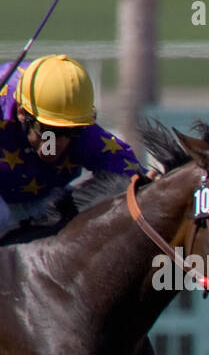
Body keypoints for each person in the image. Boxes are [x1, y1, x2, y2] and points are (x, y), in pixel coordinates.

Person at [0, 54, 144, 240]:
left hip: (46, 199)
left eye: (72, 131)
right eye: (50, 131)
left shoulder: (81, 131)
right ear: (22, 113)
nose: (58, 144)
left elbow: (130, 173)